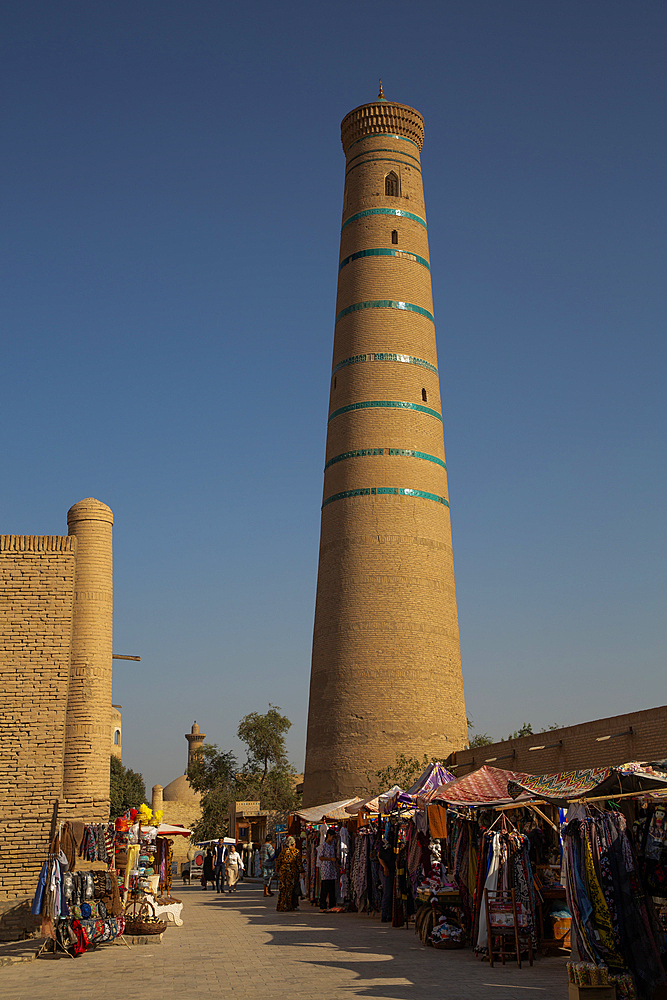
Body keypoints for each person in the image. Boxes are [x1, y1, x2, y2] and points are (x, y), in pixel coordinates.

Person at [275, 835, 302, 911]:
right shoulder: (296, 852)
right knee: (291, 890)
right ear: (293, 844)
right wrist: (302, 872)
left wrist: (278, 869)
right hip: (292, 874)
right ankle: (291, 906)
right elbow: (299, 864)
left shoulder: (283, 852)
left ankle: (282, 905)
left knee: (283, 890)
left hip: (284, 874)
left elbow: (278, 861)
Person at [317, 828, 338, 912]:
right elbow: (320, 857)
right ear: (328, 836)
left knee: (332, 888)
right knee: (325, 888)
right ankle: (322, 906)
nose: (333, 839)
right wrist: (330, 859)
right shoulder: (324, 845)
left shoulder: (332, 845)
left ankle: (332, 905)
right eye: (332, 837)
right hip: (326, 868)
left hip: (332, 869)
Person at [377, 839, 395, 922]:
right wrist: (385, 867)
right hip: (386, 870)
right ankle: (384, 915)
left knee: (391, 893)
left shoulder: (394, 839)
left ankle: (390, 914)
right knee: (387, 893)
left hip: (392, 869)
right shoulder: (384, 841)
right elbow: (379, 855)